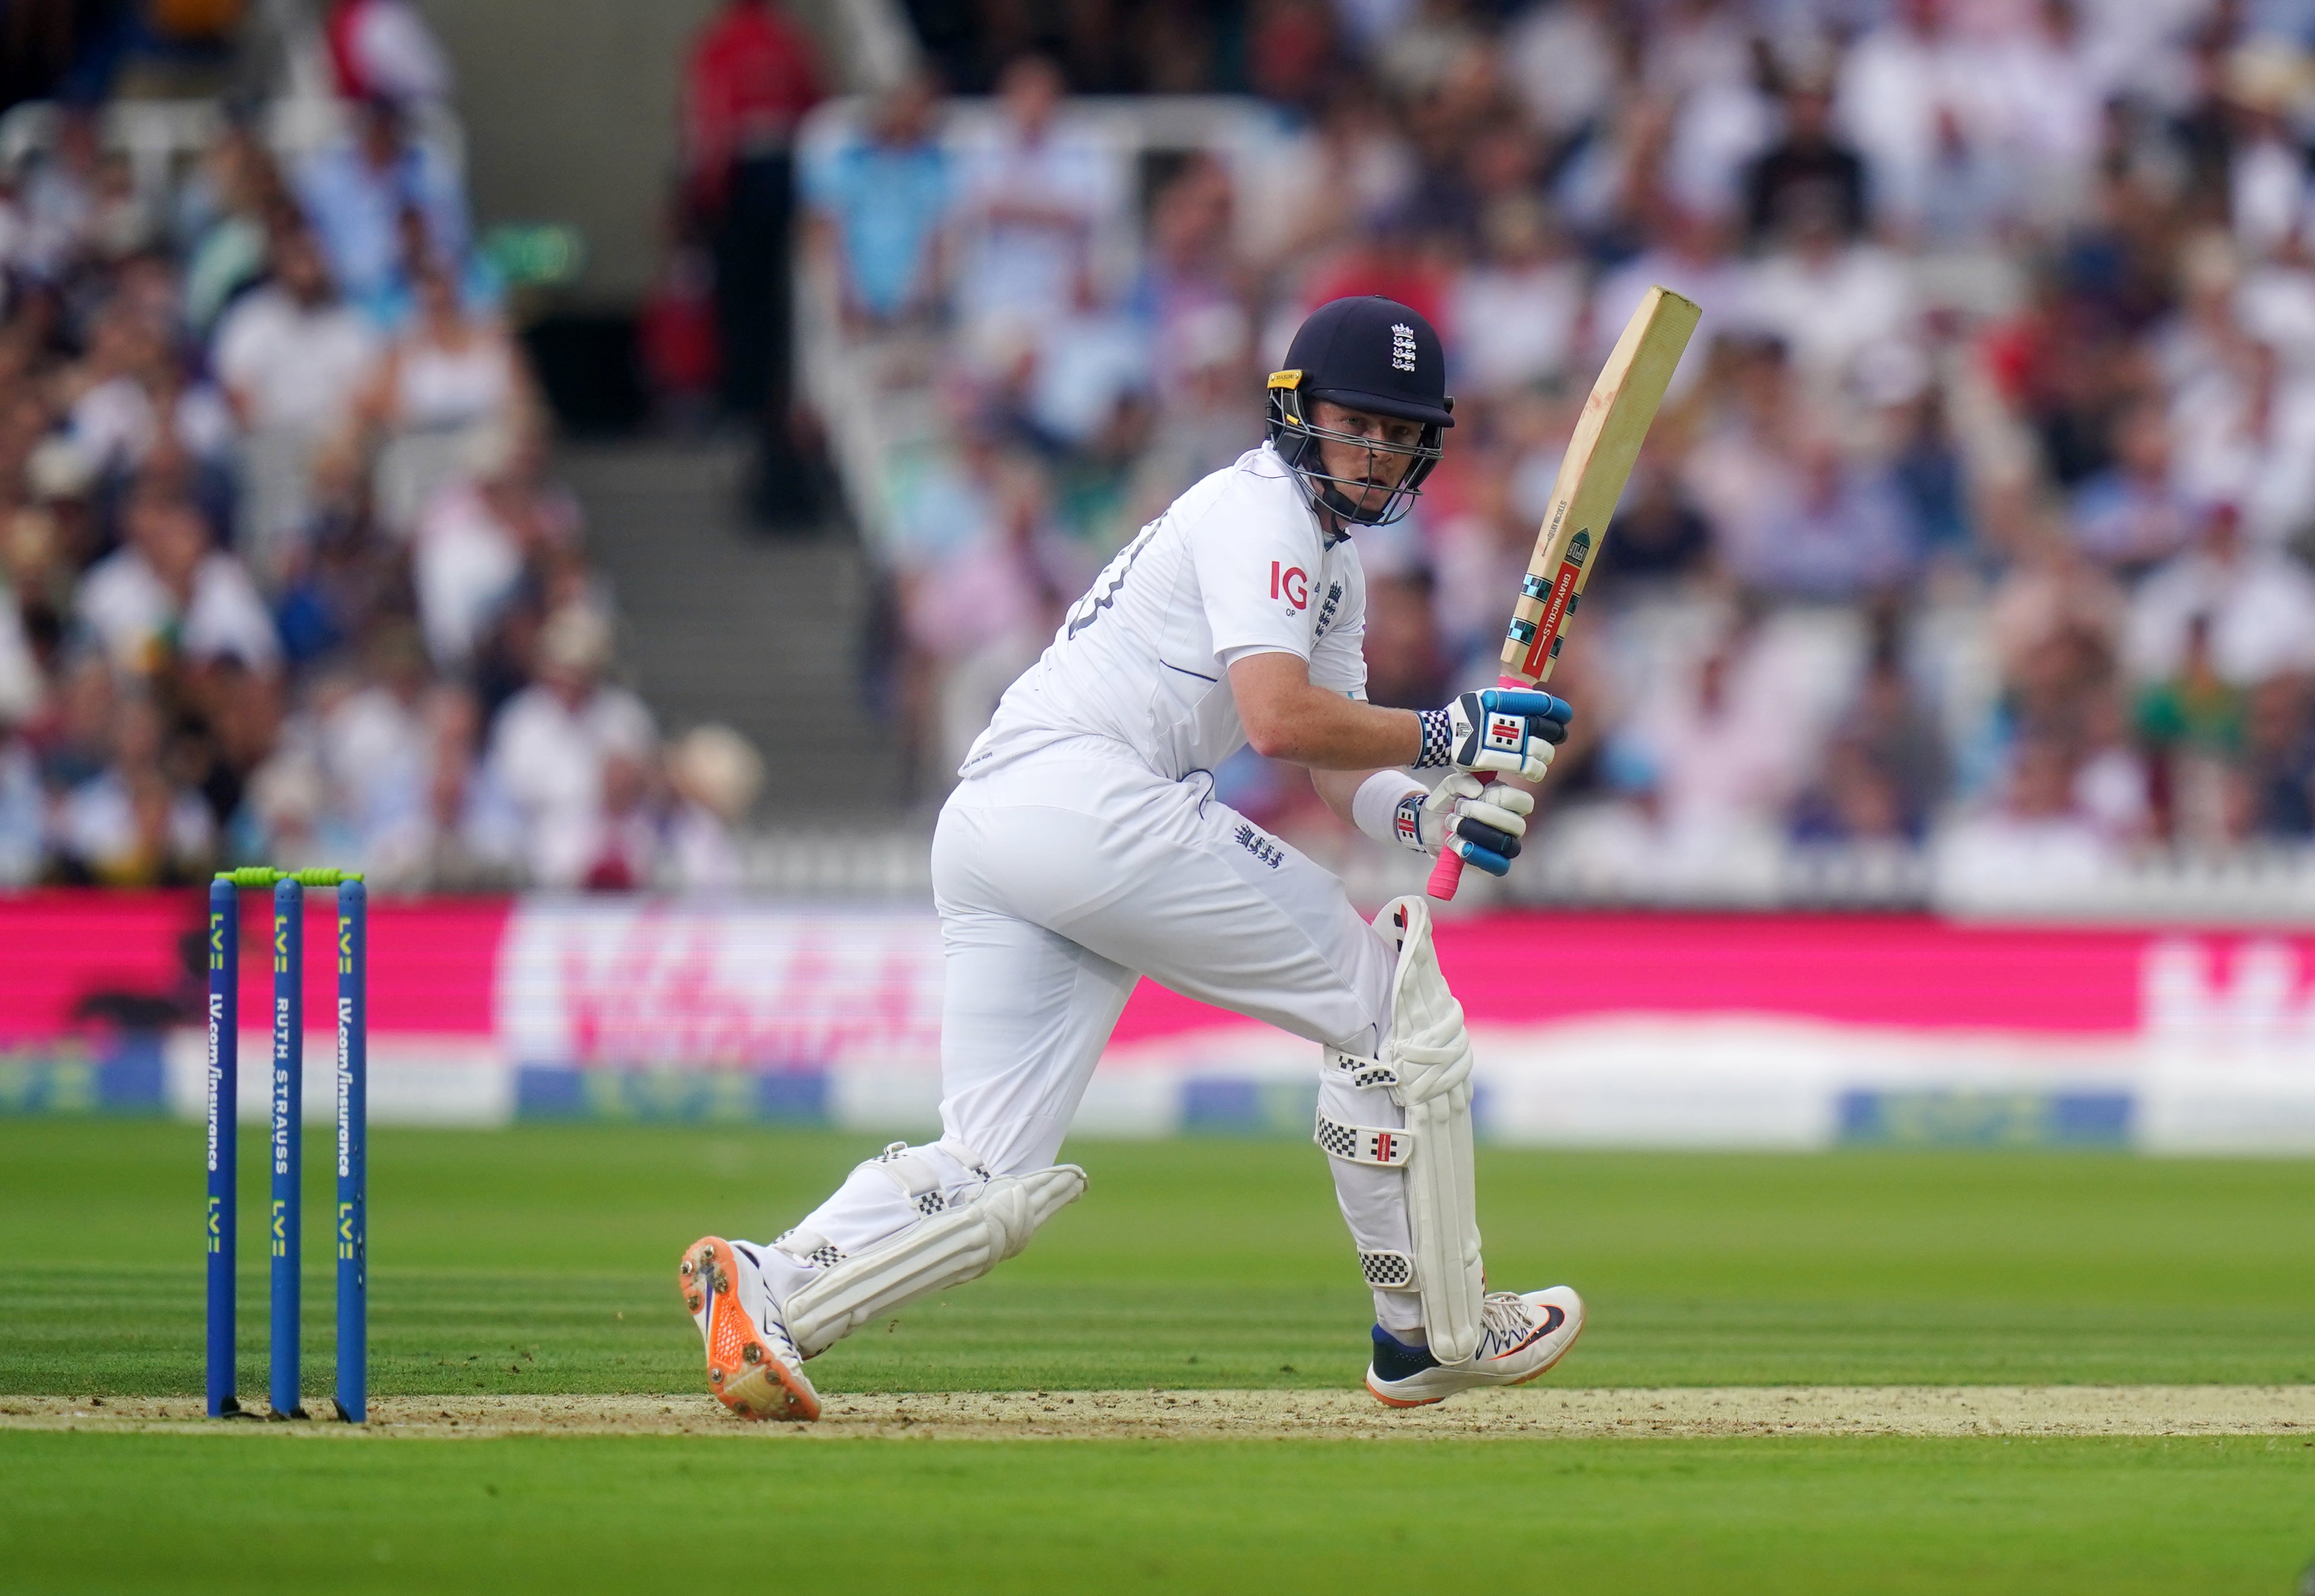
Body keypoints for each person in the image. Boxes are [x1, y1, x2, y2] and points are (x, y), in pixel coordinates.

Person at [681, 296, 1586, 1420]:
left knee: (989, 1171)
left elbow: (1335, 760)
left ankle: (770, 1287)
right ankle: (1431, 1331)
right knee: (1389, 1016)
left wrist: (1430, 815)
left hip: (999, 821)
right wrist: (1454, 734)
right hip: (1089, 798)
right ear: (1296, 414)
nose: (1379, 453)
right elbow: (1274, 720)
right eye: (1360, 424)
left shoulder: (1326, 565)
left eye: (1402, 435)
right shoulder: (1261, 514)